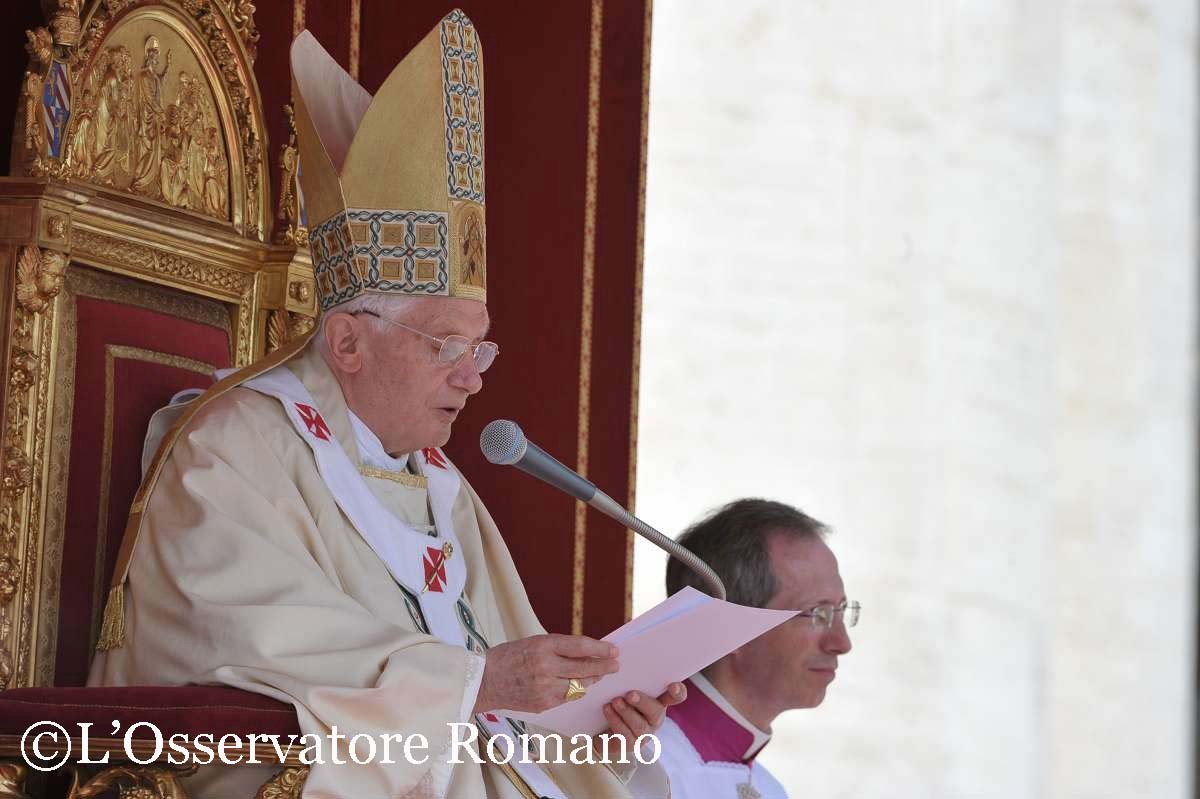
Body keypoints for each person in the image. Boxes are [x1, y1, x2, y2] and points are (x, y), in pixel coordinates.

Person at [89, 11, 677, 799]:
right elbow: (243, 650)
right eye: (446, 346)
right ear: (348, 343)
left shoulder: (441, 488)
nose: (472, 377)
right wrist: (473, 685)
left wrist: (594, 717)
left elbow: (506, 694)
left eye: (480, 348)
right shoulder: (230, 453)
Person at [657, 499, 858, 799]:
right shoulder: (636, 767)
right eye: (817, 614)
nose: (842, 644)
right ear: (729, 625)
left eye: (841, 611)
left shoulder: (770, 790)